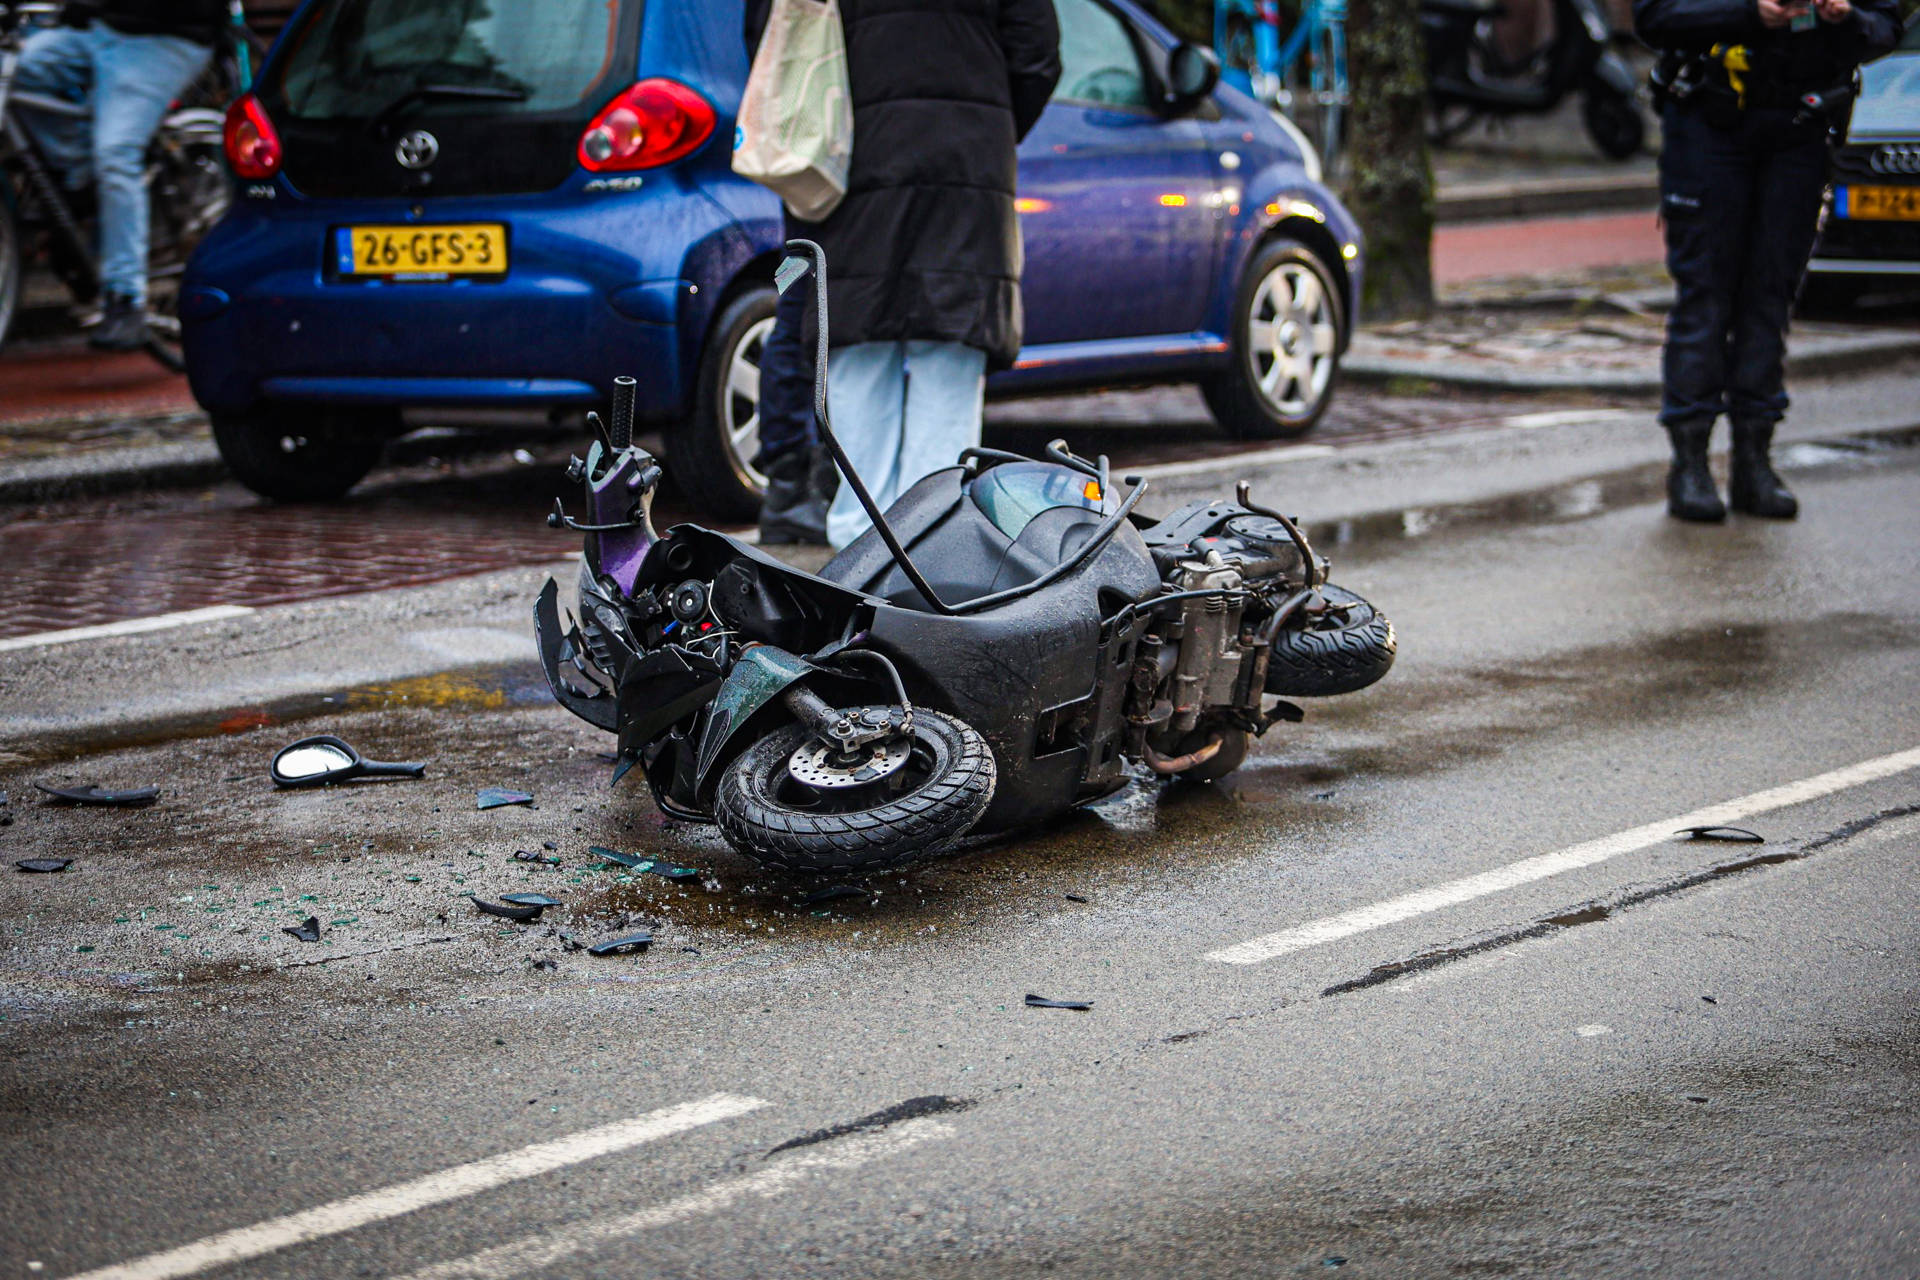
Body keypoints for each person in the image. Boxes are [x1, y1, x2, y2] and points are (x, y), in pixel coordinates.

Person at [794, 0, 1060, 549]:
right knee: (949, 353)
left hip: (852, 157)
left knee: (859, 350)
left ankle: (857, 547)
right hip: (966, 161)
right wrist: (985, 118)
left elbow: (774, 33)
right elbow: (1038, 54)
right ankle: (931, 542)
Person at [1634, 0, 1899, 522]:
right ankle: (1689, 463)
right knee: (1705, 296)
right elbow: (1655, 18)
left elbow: (1886, 25)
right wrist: (1750, 15)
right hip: (1709, 126)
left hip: (1800, 128)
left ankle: (1754, 461)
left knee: (1770, 296)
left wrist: (1845, 17)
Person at [13, 0, 224, 350]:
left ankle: (126, 298)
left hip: (164, 42)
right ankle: (81, 174)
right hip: (102, 29)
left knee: (115, 154)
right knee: (16, 75)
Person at [743, 2, 838, 546]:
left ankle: (790, 483)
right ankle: (805, 484)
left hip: (802, 156)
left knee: (796, 297)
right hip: (832, 154)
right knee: (812, 308)